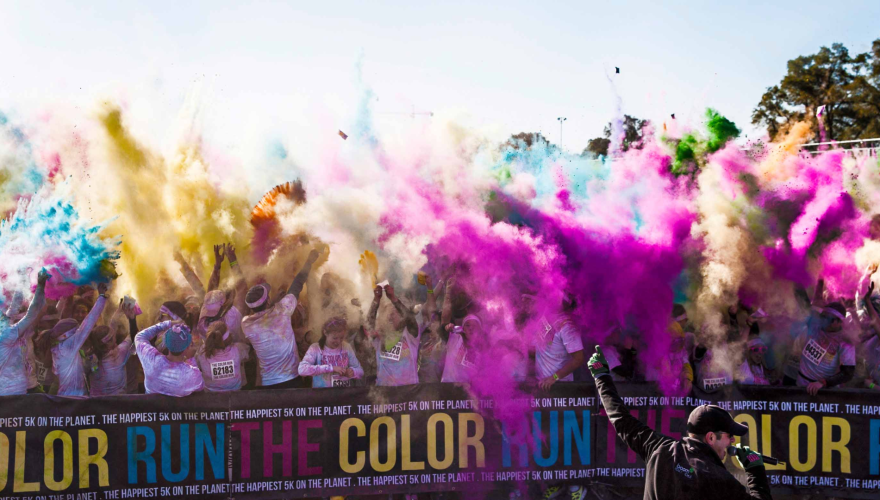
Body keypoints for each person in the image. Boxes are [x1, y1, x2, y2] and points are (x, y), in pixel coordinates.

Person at [588, 346, 772, 500]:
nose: (732, 441)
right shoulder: (720, 480)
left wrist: (602, 376)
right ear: (710, 437)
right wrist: (755, 470)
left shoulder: (660, 449)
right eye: (729, 435)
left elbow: (620, 418)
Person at [242, 248, 322, 389]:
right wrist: (309, 261)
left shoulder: (246, 324)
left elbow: (264, 315)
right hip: (292, 379)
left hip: (268, 384)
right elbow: (297, 284)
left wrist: (272, 303)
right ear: (267, 301)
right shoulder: (282, 310)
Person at [51, 282, 108, 396]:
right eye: (75, 329)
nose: (78, 331)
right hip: (74, 399)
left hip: (64, 397)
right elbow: (89, 322)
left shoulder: (56, 348)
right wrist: (101, 297)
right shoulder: (70, 345)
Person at [0, 269, 49, 396]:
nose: (4, 313)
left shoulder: (5, 327)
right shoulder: (7, 334)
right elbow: (32, 313)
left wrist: (23, 276)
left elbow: (16, 303)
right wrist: (40, 286)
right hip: (13, 393)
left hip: (12, 390)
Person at [789, 301, 855, 395]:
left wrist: (823, 382)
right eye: (822, 316)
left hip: (824, 391)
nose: (821, 320)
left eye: (826, 318)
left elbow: (848, 373)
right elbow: (802, 299)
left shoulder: (845, 342)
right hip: (801, 385)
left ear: (837, 322)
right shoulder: (815, 325)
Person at [365, 283, 420, 387]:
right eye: (388, 312)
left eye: (396, 312)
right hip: (384, 394)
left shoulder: (410, 334)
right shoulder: (380, 337)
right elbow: (369, 325)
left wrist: (393, 298)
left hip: (409, 393)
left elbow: (410, 319)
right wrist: (376, 300)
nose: (391, 315)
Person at [135, 320, 203, 396]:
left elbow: (139, 336)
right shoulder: (192, 375)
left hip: (150, 407)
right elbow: (199, 388)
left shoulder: (151, 359)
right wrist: (191, 358)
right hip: (177, 408)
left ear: (166, 344)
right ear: (186, 348)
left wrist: (167, 324)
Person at [298, 316, 364, 388]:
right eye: (335, 338)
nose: (338, 341)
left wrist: (353, 372)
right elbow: (302, 370)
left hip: (343, 394)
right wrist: (331, 368)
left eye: (341, 337)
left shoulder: (346, 347)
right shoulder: (315, 348)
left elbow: (360, 371)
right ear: (325, 333)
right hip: (322, 394)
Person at [88, 301, 137, 396]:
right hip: (117, 405)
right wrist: (132, 319)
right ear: (110, 340)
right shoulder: (119, 354)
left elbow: (111, 329)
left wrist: (119, 312)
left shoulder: (90, 358)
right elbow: (133, 336)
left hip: (96, 406)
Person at [195, 321, 250, 391]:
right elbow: (247, 357)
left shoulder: (202, 351)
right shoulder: (238, 349)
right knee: (241, 364)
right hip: (235, 390)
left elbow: (198, 365)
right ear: (229, 336)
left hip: (211, 392)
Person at [441, 314, 481, 383]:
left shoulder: (481, 351)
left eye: (474, 326)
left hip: (467, 389)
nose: (471, 328)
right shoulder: (455, 338)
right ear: (463, 329)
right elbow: (442, 330)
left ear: (479, 330)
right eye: (467, 325)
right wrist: (446, 327)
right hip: (448, 385)